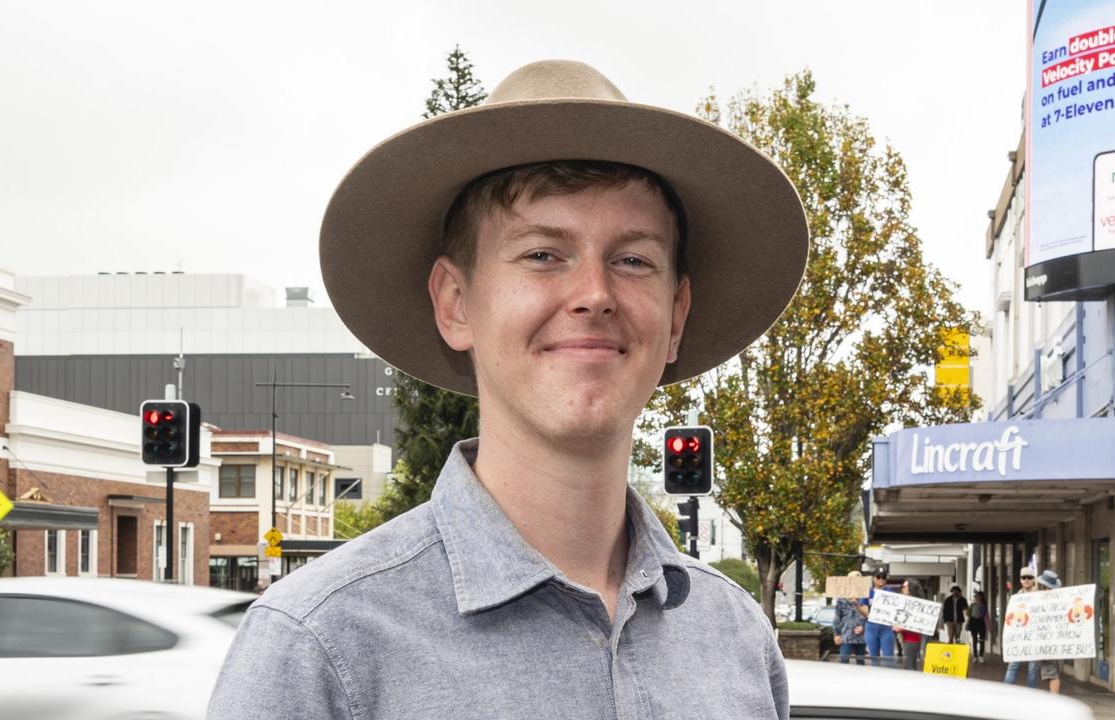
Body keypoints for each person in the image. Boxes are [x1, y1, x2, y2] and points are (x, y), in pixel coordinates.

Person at [206, 59, 809, 719]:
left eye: (633, 260)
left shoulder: (736, 641)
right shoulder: (322, 645)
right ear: (456, 303)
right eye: (543, 255)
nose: (595, 295)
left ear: (676, 319)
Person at [1003, 567, 1040, 688]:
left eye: (1029, 577)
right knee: (1013, 665)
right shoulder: (1016, 597)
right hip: (1019, 636)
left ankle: (1031, 693)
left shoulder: (1039, 595)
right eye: (1024, 577)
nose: (1027, 580)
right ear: (1020, 580)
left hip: (1035, 636)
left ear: (1033, 579)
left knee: (1033, 668)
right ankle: (1007, 691)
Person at [858, 568, 897, 668]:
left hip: (886, 627)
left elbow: (895, 610)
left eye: (883, 577)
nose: (881, 579)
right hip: (871, 627)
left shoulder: (890, 592)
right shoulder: (867, 593)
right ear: (874, 578)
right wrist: (855, 604)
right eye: (878, 577)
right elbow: (865, 613)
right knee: (874, 659)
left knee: (889, 659)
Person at [1034, 570, 1064, 693]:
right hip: (1049, 639)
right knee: (1050, 670)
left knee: (1051, 672)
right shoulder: (1056, 599)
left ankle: (1054, 700)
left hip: (1048, 640)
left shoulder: (1048, 600)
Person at [835, 571, 868, 665]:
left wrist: (864, 627)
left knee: (860, 662)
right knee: (844, 661)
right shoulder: (841, 599)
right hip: (846, 636)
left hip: (861, 638)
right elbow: (837, 617)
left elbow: (869, 616)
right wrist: (836, 634)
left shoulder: (865, 597)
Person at [894, 579, 927, 671]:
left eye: (904, 587)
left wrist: (901, 628)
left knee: (909, 665)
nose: (902, 589)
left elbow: (915, 624)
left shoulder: (916, 604)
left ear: (910, 589)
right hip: (907, 638)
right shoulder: (909, 602)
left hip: (912, 638)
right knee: (910, 664)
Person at [967, 590, 990, 663]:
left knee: (982, 639)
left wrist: (988, 625)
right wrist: (968, 623)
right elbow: (969, 615)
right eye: (975, 596)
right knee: (974, 639)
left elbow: (986, 616)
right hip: (973, 621)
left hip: (981, 622)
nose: (976, 597)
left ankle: (981, 656)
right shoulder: (972, 605)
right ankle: (975, 656)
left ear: (981, 597)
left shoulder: (984, 606)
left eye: (977, 596)